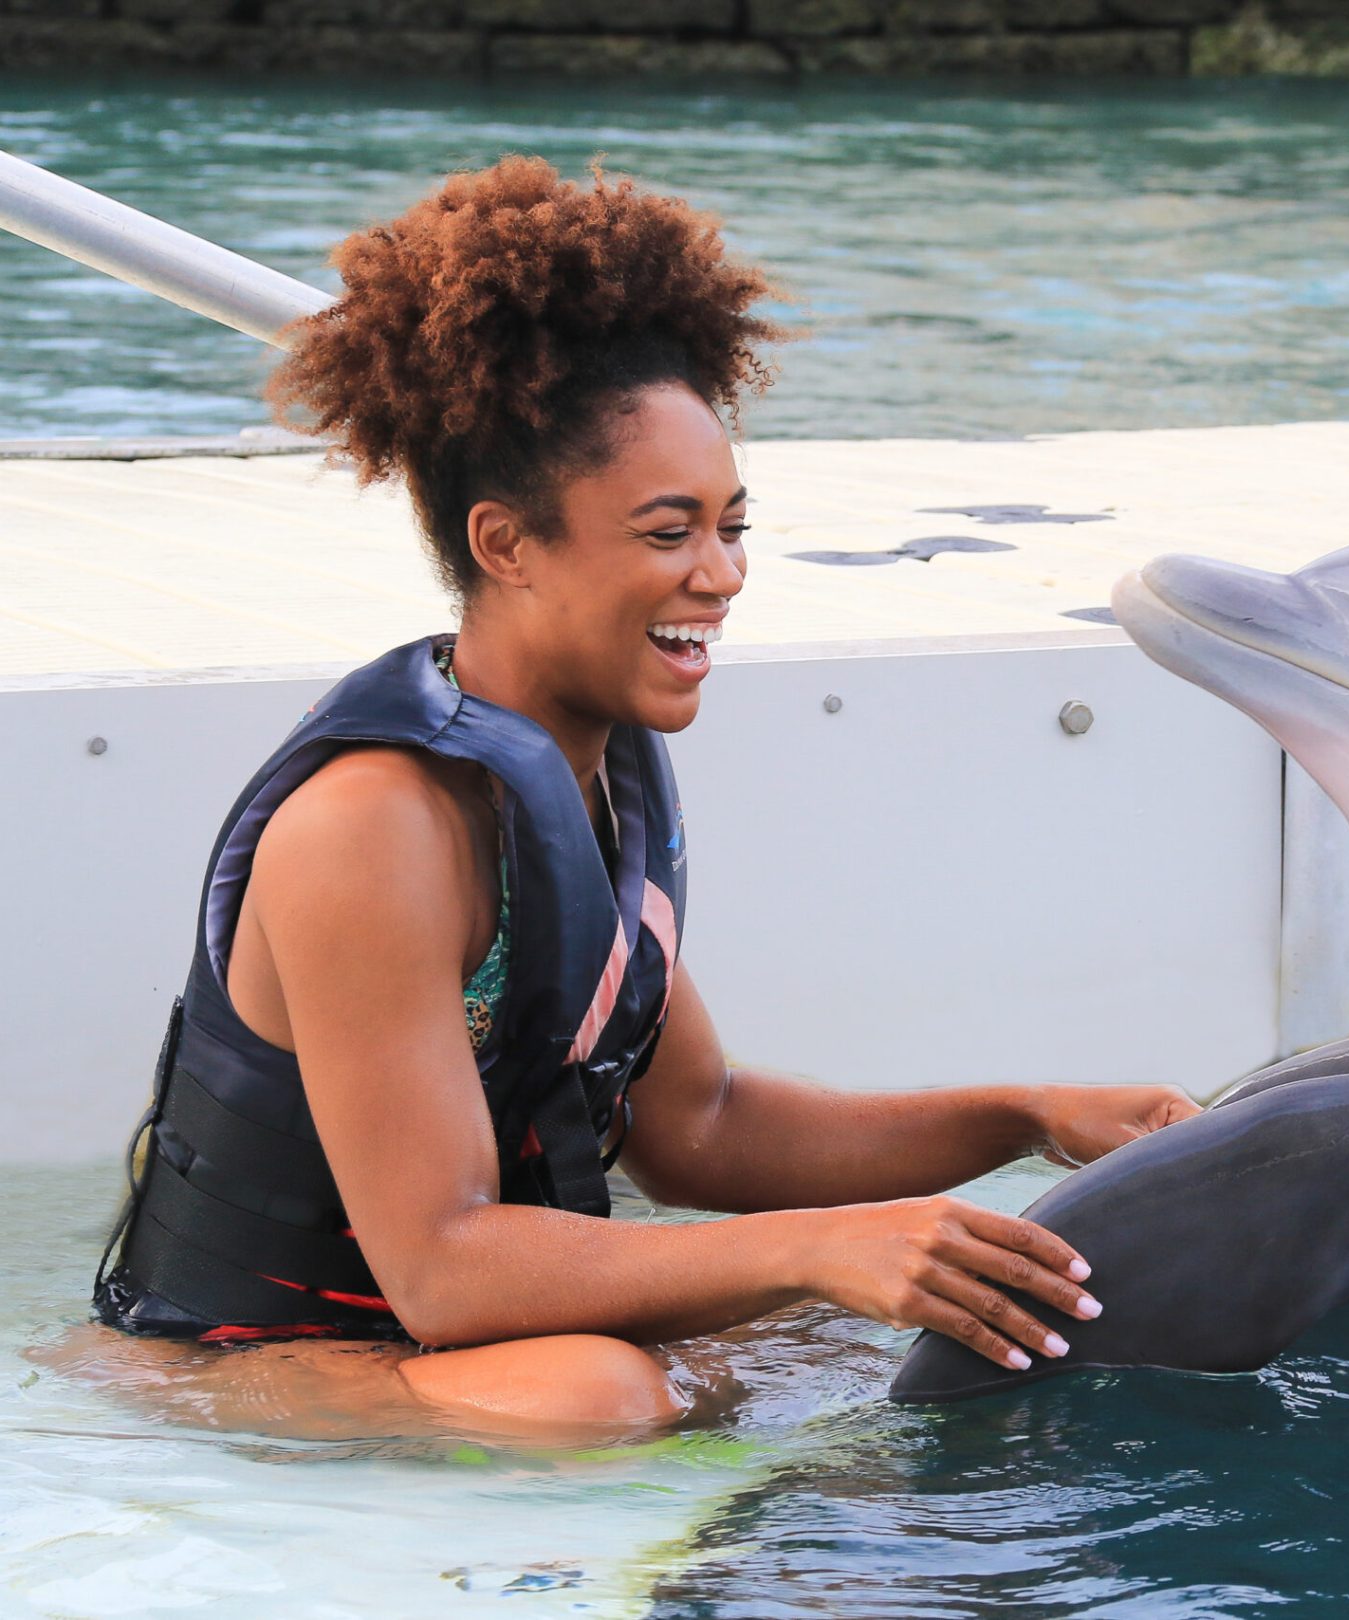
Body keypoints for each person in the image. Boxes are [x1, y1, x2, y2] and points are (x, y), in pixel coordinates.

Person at [88, 156, 1198, 1434]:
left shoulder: (590, 770)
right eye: (669, 534)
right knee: (606, 1393)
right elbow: (443, 1270)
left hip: (453, 1347)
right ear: (505, 544)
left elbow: (702, 1131)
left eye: (734, 526)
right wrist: (818, 1248)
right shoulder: (371, 825)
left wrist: (1026, 1117)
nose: (720, 576)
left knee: (985, 1288)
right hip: (241, 1367)